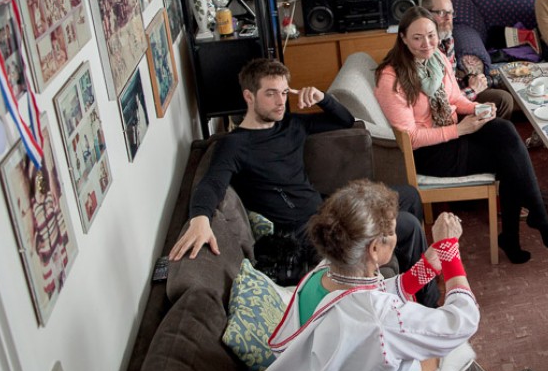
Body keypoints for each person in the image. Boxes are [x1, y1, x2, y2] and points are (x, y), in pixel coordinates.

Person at [254, 182, 538, 371]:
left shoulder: (322, 272)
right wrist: (450, 252)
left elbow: (363, 297)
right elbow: (462, 320)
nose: (398, 234)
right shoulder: (380, 317)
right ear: (374, 250)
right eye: (391, 232)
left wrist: (425, 269)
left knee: (443, 348)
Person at [169, 59, 437, 306]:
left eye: (285, 93)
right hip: (304, 231)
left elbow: (345, 120)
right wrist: (200, 218)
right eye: (271, 93)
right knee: (410, 227)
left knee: (408, 196)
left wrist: (322, 98)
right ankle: (429, 305)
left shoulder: (291, 124)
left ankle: (405, 278)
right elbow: (212, 182)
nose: (280, 101)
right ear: (249, 96)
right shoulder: (234, 144)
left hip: (327, 209)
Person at [375, 7, 548, 264]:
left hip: (452, 134)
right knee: (508, 159)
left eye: (431, 35)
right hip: (430, 154)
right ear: (403, 38)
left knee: (504, 130)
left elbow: (454, 99)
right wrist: (459, 129)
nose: (426, 43)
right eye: (417, 38)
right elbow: (411, 138)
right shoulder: (391, 77)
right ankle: (527, 221)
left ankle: (530, 218)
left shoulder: (437, 58)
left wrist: (477, 108)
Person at [422, 0, 514, 121]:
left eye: (450, 13)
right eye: (441, 13)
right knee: (501, 101)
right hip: (443, 112)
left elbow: (452, 79)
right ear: (426, 15)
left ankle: (491, 136)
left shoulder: (447, 39)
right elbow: (440, 103)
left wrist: (469, 80)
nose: (448, 18)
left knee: (503, 99)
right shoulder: (425, 50)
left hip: (456, 94)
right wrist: (472, 90)